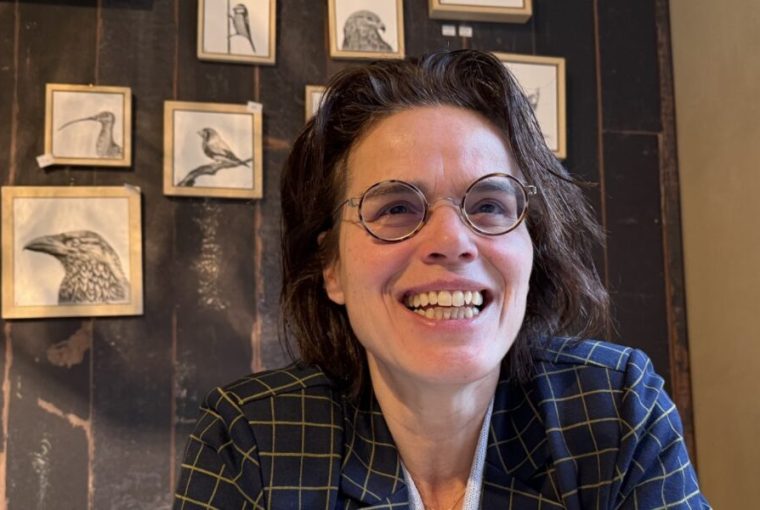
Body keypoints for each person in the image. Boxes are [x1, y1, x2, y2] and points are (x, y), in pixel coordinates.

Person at [173, 50, 709, 509]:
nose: (452, 241)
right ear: (331, 267)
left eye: (490, 205)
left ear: (532, 248)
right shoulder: (252, 439)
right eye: (396, 208)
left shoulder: (616, 409)